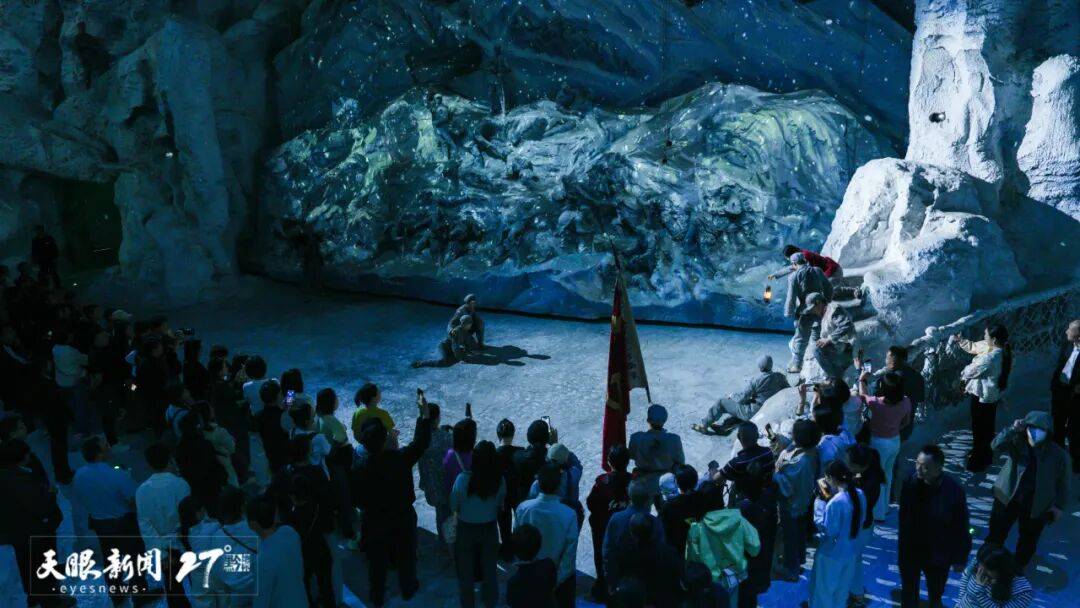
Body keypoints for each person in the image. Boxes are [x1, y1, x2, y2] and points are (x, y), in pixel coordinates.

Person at [351, 394, 433, 606]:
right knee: (406, 555)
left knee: (376, 561)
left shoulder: (359, 467)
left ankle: (377, 596)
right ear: (384, 439)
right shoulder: (400, 459)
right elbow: (421, 442)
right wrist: (423, 415)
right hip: (402, 516)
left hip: (374, 520)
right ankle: (408, 587)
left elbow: (356, 498)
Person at [986, 411, 1071, 568]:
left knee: (1028, 540)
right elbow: (995, 445)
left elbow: (1063, 484)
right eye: (1031, 427)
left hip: (1036, 503)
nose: (1035, 432)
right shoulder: (1016, 442)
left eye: (1041, 429)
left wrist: (1058, 507)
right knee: (996, 533)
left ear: (1048, 432)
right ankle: (987, 563)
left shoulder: (1059, 455)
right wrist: (1012, 429)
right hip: (1007, 496)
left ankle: (1017, 568)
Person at [71, 436, 150, 603]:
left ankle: (117, 593)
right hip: (123, 522)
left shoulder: (79, 475)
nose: (109, 447)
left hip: (100, 523)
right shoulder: (116, 475)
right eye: (106, 445)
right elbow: (133, 499)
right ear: (99, 453)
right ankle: (140, 594)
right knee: (135, 557)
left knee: (111, 558)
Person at [898, 444, 971, 608]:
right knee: (908, 592)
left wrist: (960, 557)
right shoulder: (910, 481)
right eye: (917, 463)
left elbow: (961, 525)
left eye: (925, 467)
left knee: (936, 593)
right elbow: (904, 516)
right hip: (911, 549)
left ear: (938, 468)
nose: (919, 469)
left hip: (938, 553)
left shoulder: (953, 491)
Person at [0, 440, 63, 606]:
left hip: (16, 531)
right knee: (44, 565)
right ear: (23, 457)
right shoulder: (20, 479)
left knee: (26, 564)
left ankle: (34, 596)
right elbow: (38, 505)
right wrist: (51, 494)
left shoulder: (5, 475)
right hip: (35, 530)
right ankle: (51, 601)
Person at [450, 440, 506, 608]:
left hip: (466, 530)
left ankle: (468, 603)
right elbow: (500, 505)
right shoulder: (500, 480)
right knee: (490, 570)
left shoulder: (462, 479)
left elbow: (454, 505)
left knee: (465, 572)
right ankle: (490, 601)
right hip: (489, 529)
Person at [515, 463, 580, 608]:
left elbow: (518, 544)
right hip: (558, 581)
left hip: (529, 577)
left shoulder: (523, 508)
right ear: (559, 485)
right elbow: (569, 555)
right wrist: (556, 580)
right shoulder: (569, 514)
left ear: (538, 482)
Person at [685, 486, 761, 607]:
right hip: (737, 576)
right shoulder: (739, 519)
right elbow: (755, 548)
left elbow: (692, 559)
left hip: (712, 581)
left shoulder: (696, 528)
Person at [953, 324, 1012, 472]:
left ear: (994, 339)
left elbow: (971, 371)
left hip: (982, 397)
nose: (984, 337)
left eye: (986, 335)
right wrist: (961, 341)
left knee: (979, 429)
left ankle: (977, 461)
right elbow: (975, 346)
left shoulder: (991, 358)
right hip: (991, 396)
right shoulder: (999, 349)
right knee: (988, 427)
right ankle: (987, 455)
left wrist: (961, 378)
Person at [807, 460, 865, 608]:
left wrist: (820, 502)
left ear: (831, 478)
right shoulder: (860, 494)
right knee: (841, 595)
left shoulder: (836, 502)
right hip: (850, 553)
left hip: (831, 555)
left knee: (823, 596)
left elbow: (828, 531)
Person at [858, 370, 912, 521]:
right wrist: (894, 429)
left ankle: (878, 512)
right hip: (894, 441)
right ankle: (885, 507)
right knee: (888, 474)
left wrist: (861, 379)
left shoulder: (876, 402)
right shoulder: (906, 401)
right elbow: (906, 422)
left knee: (877, 476)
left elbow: (862, 396)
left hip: (878, 443)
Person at [772, 418, 820, 581]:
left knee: (790, 537)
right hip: (803, 502)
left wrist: (774, 473)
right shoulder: (811, 451)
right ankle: (799, 559)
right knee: (799, 533)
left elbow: (786, 486)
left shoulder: (800, 463)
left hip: (791, 505)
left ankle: (791, 569)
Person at [692, 355, 789, 435]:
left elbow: (741, 398)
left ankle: (704, 425)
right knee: (748, 401)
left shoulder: (756, 381)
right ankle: (726, 426)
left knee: (721, 402)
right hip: (767, 408)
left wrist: (731, 396)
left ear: (760, 368)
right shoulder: (780, 376)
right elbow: (787, 389)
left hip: (753, 412)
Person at [602, 480, 666, 596]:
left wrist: (611, 580)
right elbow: (661, 551)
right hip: (648, 580)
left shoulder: (616, 519)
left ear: (629, 496)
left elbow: (608, 551)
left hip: (622, 578)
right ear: (647, 499)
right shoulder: (655, 522)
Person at [586, 444, 632, 601]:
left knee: (601, 555)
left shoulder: (602, 482)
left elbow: (591, 504)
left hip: (602, 527)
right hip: (625, 528)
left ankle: (602, 584)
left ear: (609, 462)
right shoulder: (633, 481)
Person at [248, 494, 309, 608]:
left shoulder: (262, 560)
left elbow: (261, 601)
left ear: (253, 524)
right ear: (276, 516)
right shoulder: (290, 533)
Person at [736, 457, 778, 608]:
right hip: (763, 551)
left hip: (748, 558)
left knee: (747, 591)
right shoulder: (770, 495)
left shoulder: (744, 508)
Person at [846, 444, 884, 607]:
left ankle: (857, 596)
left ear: (859, 465)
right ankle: (855, 593)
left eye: (848, 462)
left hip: (860, 528)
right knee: (855, 560)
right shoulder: (868, 475)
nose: (846, 464)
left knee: (854, 562)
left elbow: (855, 506)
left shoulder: (868, 485)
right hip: (864, 525)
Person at [136, 443, 192, 554]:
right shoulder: (181, 484)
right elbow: (188, 517)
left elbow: (145, 525)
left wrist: (159, 552)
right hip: (182, 541)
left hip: (158, 546)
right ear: (170, 459)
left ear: (149, 465)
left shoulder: (141, 490)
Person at [783, 254, 833, 373]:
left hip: (805, 310)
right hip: (819, 307)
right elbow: (828, 287)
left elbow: (791, 297)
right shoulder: (817, 271)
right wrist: (826, 301)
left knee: (801, 338)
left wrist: (788, 313)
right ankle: (817, 363)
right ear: (804, 260)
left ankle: (797, 365)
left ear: (794, 264)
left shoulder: (794, 276)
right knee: (816, 336)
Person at [628, 404, 685, 497]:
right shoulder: (674, 439)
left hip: (642, 484)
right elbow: (680, 462)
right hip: (665, 482)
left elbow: (631, 455)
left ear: (648, 420)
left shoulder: (636, 438)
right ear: (664, 420)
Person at [419, 403, 454, 542]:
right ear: (438, 418)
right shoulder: (448, 438)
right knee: (450, 517)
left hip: (432, 486)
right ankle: (450, 546)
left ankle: (443, 543)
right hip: (448, 485)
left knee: (440, 514)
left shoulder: (420, 440)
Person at [956, 545, 1034, 608]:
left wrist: (980, 594)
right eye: (980, 564)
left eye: (988, 569)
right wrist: (959, 603)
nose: (981, 570)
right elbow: (965, 576)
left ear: (1002, 570)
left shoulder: (1023, 592)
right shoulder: (982, 560)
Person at [1049, 319, 1080, 471]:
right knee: (1058, 425)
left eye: (1070, 329)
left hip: (1075, 396)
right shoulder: (1067, 344)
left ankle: (1076, 461)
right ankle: (1058, 458)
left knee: (1075, 428)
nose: (1066, 331)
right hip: (1060, 390)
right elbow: (1060, 365)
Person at [805, 295, 857, 383]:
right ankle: (834, 375)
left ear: (819, 303)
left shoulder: (834, 309)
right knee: (816, 346)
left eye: (813, 308)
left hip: (847, 349)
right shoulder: (823, 313)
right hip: (839, 347)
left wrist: (829, 339)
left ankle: (835, 378)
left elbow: (846, 325)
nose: (813, 311)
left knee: (817, 349)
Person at [721, 422, 777, 502]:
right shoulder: (767, 452)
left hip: (748, 501)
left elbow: (717, 478)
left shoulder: (735, 463)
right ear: (757, 436)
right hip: (769, 496)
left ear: (738, 437)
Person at [505, 524, 557, 608]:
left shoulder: (513, 581)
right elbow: (553, 584)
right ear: (539, 545)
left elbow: (511, 601)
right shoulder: (549, 565)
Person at [659, 464, 701, 559]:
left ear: (677, 484)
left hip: (679, 546)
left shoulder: (670, 506)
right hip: (700, 541)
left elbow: (664, 529)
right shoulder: (702, 497)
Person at [495, 418, 523, 559]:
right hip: (518, 494)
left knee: (504, 527)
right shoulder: (521, 452)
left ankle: (507, 552)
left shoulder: (493, 455)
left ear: (498, 435)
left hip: (502, 497)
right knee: (520, 524)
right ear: (513, 434)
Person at [413, 315, 480, 368]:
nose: (470, 326)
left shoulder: (465, 332)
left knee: (458, 357)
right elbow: (455, 347)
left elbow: (468, 342)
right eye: (469, 324)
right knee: (445, 362)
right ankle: (421, 363)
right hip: (445, 347)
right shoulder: (457, 332)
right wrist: (461, 359)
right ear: (465, 324)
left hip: (451, 347)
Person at [257, 379, 290, 473]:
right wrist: (291, 393)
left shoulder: (258, 416)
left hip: (270, 455)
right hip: (285, 455)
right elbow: (286, 409)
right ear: (279, 396)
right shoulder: (283, 415)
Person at [771, 244, 842, 279]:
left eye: (788, 258)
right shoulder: (800, 256)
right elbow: (792, 268)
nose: (789, 260)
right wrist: (777, 275)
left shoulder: (805, 256)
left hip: (833, 272)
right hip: (831, 271)